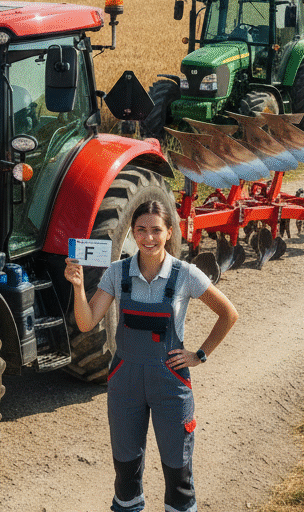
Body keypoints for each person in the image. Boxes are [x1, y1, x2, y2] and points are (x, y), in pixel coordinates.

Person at [64, 200, 239, 512]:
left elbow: (228, 314)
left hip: (170, 384)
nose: (148, 238)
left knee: (178, 471)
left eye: (156, 230)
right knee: (125, 471)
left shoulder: (186, 274)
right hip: (125, 383)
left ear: (169, 232)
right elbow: (86, 322)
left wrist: (199, 355)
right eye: (141, 230)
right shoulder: (117, 272)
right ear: (133, 232)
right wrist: (78, 287)